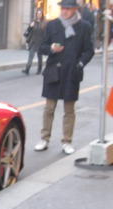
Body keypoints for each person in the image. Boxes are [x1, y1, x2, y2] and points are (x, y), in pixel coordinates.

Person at [35, 0, 94, 155]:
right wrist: (52, 49)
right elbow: (42, 47)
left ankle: (67, 141)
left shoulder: (84, 26)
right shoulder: (52, 24)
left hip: (72, 72)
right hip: (54, 70)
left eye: (68, 9)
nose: (65, 11)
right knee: (49, 108)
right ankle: (44, 138)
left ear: (75, 9)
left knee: (69, 110)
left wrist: (80, 64)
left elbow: (89, 50)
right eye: (63, 8)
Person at [22, 8, 46, 75]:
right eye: (37, 14)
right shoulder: (33, 21)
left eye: (40, 14)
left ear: (42, 15)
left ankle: (39, 69)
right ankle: (27, 69)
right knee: (30, 56)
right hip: (33, 41)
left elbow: (46, 33)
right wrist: (30, 26)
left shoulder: (44, 22)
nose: (39, 15)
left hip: (41, 42)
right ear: (36, 14)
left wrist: (45, 42)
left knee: (39, 57)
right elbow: (28, 31)